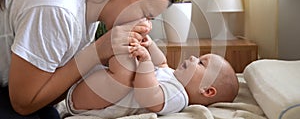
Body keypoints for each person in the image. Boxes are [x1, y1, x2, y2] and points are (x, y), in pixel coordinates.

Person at [0, 0, 174, 118]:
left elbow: (48, 89)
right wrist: (96, 52)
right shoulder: (59, 9)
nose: (146, 26)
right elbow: (23, 104)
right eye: (145, 14)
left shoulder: (89, 13)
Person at [66, 33, 239, 118]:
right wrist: (150, 46)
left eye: (201, 63)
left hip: (91, 102)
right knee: (126, 62)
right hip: (94, 86)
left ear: (207, 90)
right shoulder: (173, 77)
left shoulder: (178, 96)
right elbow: (162, 63)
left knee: (126, 64)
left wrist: (146, 61)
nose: (193, 57)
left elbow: (148, 95)